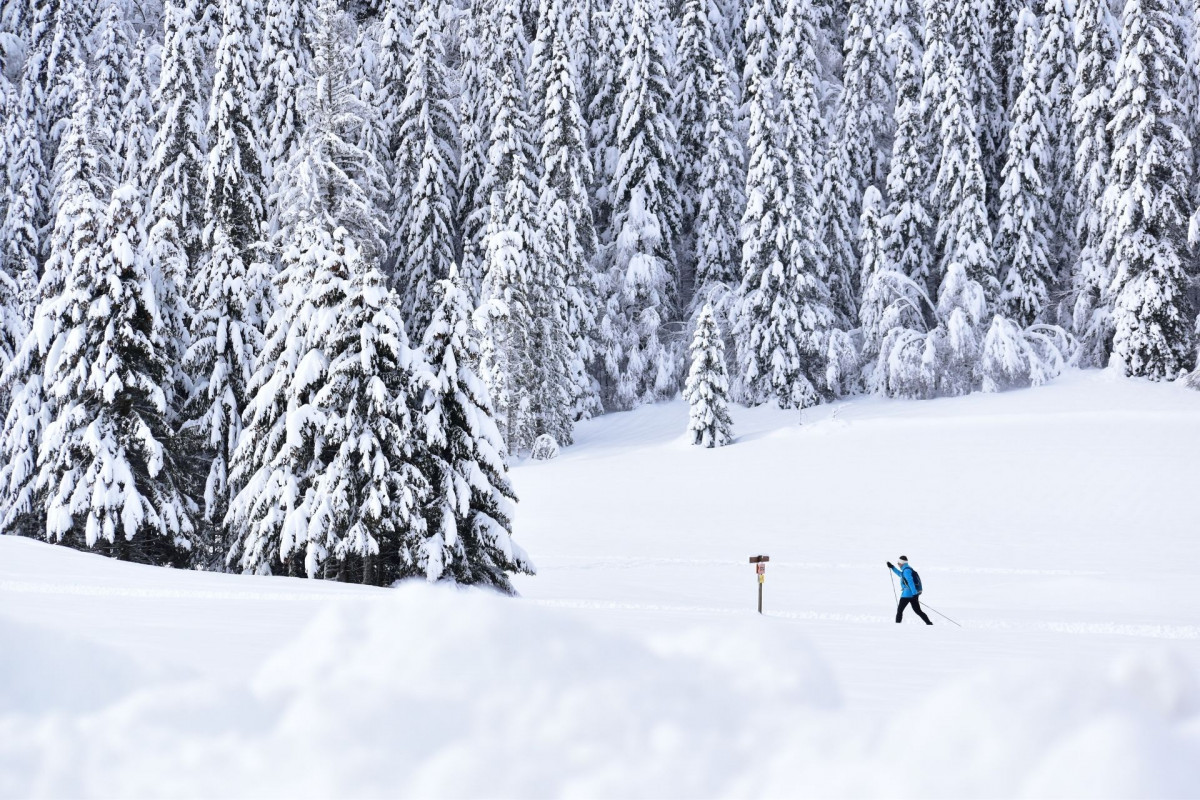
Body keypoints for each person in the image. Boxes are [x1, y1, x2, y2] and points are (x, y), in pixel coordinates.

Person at [888, 556, 932, 625]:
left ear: (902, 563)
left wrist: (914, 593)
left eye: (899, 563)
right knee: (918, 611)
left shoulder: (906, 571)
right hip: (913, 594)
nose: (898, 564)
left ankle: (897, 626)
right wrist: (892, 567)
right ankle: (929, 623)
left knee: (900, 611)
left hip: (907, 594)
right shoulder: (907, 569)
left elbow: (910, 582)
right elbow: (900, 574)